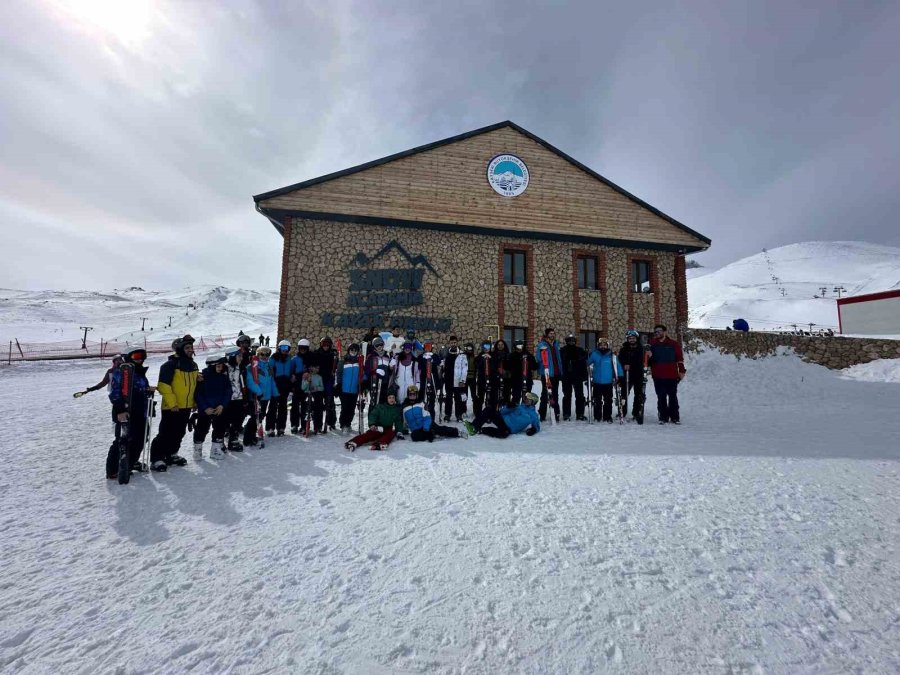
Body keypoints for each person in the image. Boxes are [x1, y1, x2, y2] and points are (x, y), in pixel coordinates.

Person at [149, 335, 198, 471]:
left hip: (186, 406)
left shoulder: (193, 365)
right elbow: (163, 386)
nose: (190, 350)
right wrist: (172, 403)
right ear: (179, 349)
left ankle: (172, 454)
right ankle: (157, 458)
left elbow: (193, 385)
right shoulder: (170, 365)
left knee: (179, 432)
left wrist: (194, 402)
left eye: (191, 347)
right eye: (187, 348)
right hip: (172, 407)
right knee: (166, 432)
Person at [106, 348, 152, 478]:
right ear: (128, 357)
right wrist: (120, 410)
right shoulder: (122, 372)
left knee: (141, 438)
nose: (140, 359)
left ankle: (130, 462)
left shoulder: (139, 372)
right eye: (136, 356)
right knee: (122, 440)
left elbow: (139, 389)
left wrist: (147, 390)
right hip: (125, 413)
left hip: (140, 412)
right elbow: (114, 393)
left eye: (143, 356)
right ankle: (113, 469)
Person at [192, 354, 231, 460]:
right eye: (218, 366)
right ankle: (197, 450)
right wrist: (204, 408)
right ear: (212, 366)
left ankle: (215, 449)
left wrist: (222, 405)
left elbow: (228, 392)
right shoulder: (202, 377)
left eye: (221, 366)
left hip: (219, 409)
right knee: (202, 429)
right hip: (206, 410)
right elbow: (197, 394)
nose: (221, 368)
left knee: (220, 428)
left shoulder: (223, 377)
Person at [646, 324, 686, 424]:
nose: (657, 333)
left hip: (671, 375)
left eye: (659, 331)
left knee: (673, 396)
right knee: (661, 396)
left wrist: (681, 371)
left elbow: (679, 359)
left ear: (665, 332)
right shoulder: (652, 344)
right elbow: (649, 362)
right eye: (655, 332)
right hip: (658, 375)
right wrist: (649, 356)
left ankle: (675, 417)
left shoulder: (673, 344)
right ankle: (663, 417)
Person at [464, 392, 541, 438]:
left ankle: (481, 430)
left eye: (528, 399)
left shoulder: (533, 415)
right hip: (502, 420)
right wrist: (508, 407)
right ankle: (474, 426)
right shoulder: (519, 406)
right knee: (489, 410)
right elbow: (502, 412)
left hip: (509, 429)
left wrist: (533, 430)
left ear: (533, 402)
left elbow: (537, 426)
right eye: (526, 398)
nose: (526, 400)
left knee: (504, 434)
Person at [245, 345, 279, 437]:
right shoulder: (252, 366)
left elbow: (271, 381)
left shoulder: (269, 366)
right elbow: (250, 382)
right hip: (256, 396)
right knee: (255, 416)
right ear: (258, 354)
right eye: (262, 354)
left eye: (267, 355)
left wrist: (275, 393)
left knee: (261, 415)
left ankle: (255, 432)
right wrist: (259, 392)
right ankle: (249, 435)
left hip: (266, 396)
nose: (265, 357)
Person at [587, 337, 623, 423]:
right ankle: (597, 416)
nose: (603, 346)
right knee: (597, 400)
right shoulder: (595, 354)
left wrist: (620, 376)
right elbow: (588, 362)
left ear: (607, 346)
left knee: (608, 400)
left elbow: (617, 366)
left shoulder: (612, 355)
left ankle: (607, 416)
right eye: (601, 345)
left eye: (604, 345)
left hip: (608, 382)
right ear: (598, 346)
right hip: (597, 382)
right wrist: (586, 356)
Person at [617, 329, 646, 420]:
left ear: (636, 338)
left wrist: (631, 365)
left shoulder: (641, 349)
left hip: (638, 374)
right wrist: (624, 364)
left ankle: (636, 412)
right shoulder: (623, 349)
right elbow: (620, 360)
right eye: (630, 338)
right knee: (624, 394)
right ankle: (622, 411)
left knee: (638, 394)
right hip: (626, 375)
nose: (631, 340)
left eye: (633, 338)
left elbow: (641, 361)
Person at [223, 346, 248, 451]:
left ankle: (233, 439)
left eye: (241, 356)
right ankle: (220, 441)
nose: (241, 358)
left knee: (238, 419)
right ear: (232, 357)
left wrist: (245, 397)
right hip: (228, 400)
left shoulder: (241, 368)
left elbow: (243, 384)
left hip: (239, 398)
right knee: (225, 420)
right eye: (239, 356)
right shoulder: (224, 369)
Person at [535, 328, 562, 422]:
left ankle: (556, 413)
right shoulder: (542, 345)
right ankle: (542, 414)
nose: (552, 335)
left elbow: (559, 358)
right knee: (545, 393)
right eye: (550, 333)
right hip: (547, 373)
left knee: (555, 394)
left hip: (556, 372)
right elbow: (538, 358)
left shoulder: (556, 344)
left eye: (553, 333)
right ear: (546, 334)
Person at [337, 343, 364, 432]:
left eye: (355, 350)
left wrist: (363, 381)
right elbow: (339, 373)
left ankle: (348, 423)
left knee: (351, 408)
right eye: (352, 350)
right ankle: (343, 424)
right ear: (349, 350)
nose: (353, 351)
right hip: (344, 389)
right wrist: (339, 384)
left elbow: (362, 374)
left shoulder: (359, 362)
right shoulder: (343, 361)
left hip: (354, 390)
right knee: (344, 407)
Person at [560, 333, 587, 421]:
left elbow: (584, 363)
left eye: (573, 340)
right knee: (567, 395)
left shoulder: (580, 350)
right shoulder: (562, 350)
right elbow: (560, 363)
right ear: (566, 341)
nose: (571, 342)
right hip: (566, 376)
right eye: (569, 340)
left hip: (577, 376)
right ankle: (566, 414)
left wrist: (584, 375)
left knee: (580, 395)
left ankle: (580, 414)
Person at [269, 339, 294, 436]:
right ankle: (270, 427)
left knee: (283, 407)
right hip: (276, 384)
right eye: (283, 348)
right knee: (273, 406)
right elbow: (270, 370)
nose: (285, 350)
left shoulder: (289, 359)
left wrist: (291, 379)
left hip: (285, 385)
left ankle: (281, 427)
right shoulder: (274, 358)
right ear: (279, 348)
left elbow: (291, 371)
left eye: (287, 348)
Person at [314, 337, 339, 431]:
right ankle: (318, 425)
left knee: (330, 403)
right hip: (319, 381)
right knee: (318, 404)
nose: (326, 346)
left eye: (327, 345)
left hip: (329, 380)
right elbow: (313, 365)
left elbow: (336, 366)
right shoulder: (316, 353)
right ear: (321, 344)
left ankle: (331, 422)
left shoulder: (333, 354)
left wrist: (336, 362)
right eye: (324, 344)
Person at [441, 337, 468, 422]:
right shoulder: (446, 353)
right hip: (448, 380)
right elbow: (443, 366)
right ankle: (447, 415)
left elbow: (465, 368)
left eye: (455, 342)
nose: (453, 344)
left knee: (458, 398)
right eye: (452, 343)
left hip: (458, 380)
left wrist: (463, 380)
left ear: (457, 343)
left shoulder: (462, 354)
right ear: (450, 343)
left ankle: (458, 415)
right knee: (448, 398)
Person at [289, 338, 311, 434]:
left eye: (305, 349)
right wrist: (292, 378)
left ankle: (304, 425)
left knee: (304, 406)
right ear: (298, 348)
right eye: (301, 348)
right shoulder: (294, 359)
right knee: (294, 406)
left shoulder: (310, 358)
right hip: (297, 384)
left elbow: (314, 369)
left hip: (306, 384)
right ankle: (294, 424)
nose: (303, 350)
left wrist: (310, 374)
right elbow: (290, 371)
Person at [506, 339, 535, 406]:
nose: (520, 348)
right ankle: (515, 412)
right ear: (515, 347)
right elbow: (508, 367)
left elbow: (534, 366)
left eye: (521, 346)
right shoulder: (512, 355)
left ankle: (525, 412)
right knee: (516, 397)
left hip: (527, 379)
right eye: (518, 346)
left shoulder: (528, 355)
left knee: (527, 397)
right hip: (516, 380)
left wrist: (528, 360)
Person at [365, 336, 392, 405]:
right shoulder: (371, 356)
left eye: (381, 344)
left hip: (385, 382)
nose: (379, 347)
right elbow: (367, 369)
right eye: (377, 345)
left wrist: (391, 368)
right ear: (374, 346)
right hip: (375, 382)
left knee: (384, 402)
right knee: (375, 402)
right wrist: (375, 371)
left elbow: (389, 370)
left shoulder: (387, 356)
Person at [301, 364, 325, 434]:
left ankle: (318, 427)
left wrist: (316, 388)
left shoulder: (319, 377)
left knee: (318, 410)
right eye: (315, 368)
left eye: (318, 368)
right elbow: (303, 387)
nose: (317, 370)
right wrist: (307, 381)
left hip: (316, 394)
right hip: (308, 394)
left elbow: (322, 387)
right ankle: (304, 427)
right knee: (306, 411)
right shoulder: (306, 375)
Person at [472, 341, 492, 416]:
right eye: (484, 347)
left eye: (488, 347)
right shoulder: (479, 356)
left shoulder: (493, 355)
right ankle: (479, 413)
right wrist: (482, 359)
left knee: (489, 398)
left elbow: (495, 366)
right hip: (481, 380)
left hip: (491, 380)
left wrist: (491, 359)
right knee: (480, 398)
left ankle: (489, 414)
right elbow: (476, 365)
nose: (486, 349)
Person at [491, 338, 512, 406]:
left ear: (504, 345)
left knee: (506, 393)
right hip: (496, 377)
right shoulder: (493, 354)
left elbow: (510, 366)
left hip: (506, 377)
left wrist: (505, 371)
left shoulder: (508, 354)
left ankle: (505, 408)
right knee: (495, 394)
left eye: (502, 344)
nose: (500, 346)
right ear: (496, 345)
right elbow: (492, 365)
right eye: (499, 344)